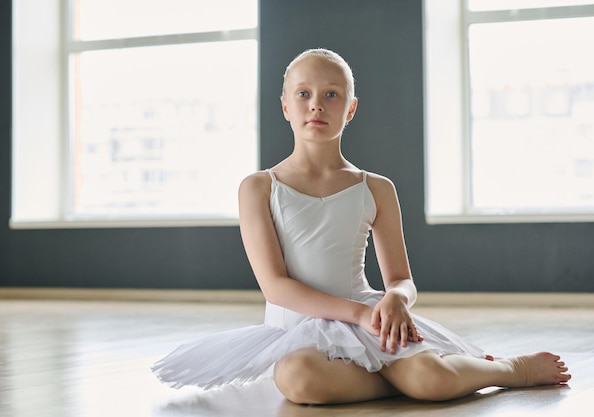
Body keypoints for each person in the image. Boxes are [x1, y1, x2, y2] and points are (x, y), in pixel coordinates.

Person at [152, 48, 571, 404]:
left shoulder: (376, 188)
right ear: (285, 106)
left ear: (350, 108)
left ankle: (508, 370)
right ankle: (400, 381)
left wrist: (396, 302)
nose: (317, 104)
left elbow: (402, 279)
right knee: (299, 380)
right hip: (300, 330)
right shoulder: (259, 187)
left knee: (432, 382)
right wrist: (360, 315)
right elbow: (275, 286)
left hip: (372, 319)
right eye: (304, 94)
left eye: (331, 95)